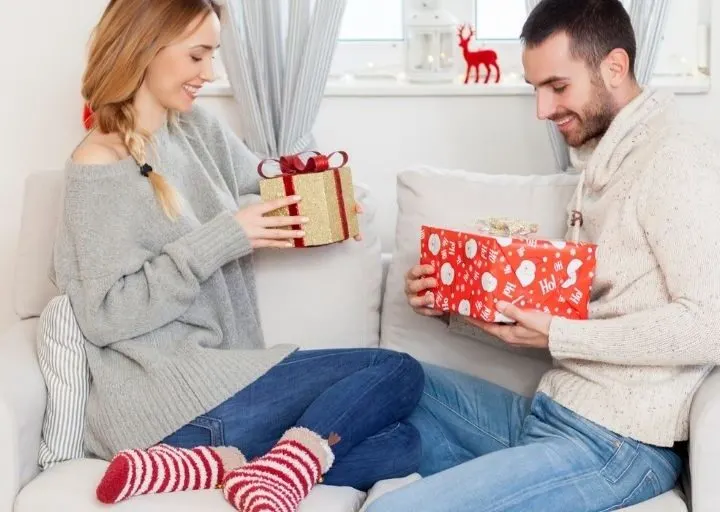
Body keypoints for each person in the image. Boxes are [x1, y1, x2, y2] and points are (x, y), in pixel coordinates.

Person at [51, 0, 424, 510]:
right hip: (159, 398)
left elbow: (266, 184)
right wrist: (225, 237)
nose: (209, 73)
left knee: (403, 446)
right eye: (197, 56)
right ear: (146, 49)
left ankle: (210, 466)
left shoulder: (194, 129)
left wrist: (332, 208)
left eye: (213, 56)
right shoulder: (98, 165)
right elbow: (103, 316)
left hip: (216, 385)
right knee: (397, 371)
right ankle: (235, 462)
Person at [367, 0, 720, 510]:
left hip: (616, 444)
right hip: (552, 413)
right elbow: (575, 318)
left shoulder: (676, 161)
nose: (542, 110)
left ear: (614, 67)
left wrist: (558, 332)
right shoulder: (603, 167)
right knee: (380, 376)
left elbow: (712, 324)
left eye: (557, 86)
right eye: (537, 89)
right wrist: (454, 309)